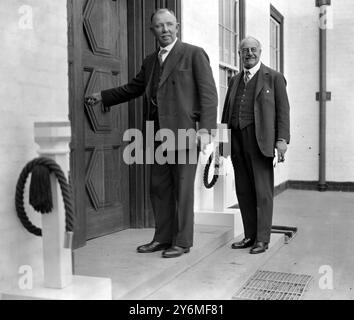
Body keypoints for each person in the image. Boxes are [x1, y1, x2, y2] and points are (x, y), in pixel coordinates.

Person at [85, 9, 218, 258]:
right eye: (159, 26)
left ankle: (182, 242)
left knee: (183, 190)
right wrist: (103, 96)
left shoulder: (193, 54)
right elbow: (133, 88)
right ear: (152, 30)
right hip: (156, 136)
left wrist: (206, 132)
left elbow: (209, 96)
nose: (165, 30)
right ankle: (162, 238)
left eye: (169, 25)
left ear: (177, 26)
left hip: (184, 135)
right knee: (159, 188)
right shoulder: (149, 61)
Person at [221, 36, 290, 254]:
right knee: (243, 190)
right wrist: (222, 143)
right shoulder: (234, 80)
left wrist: (281, 140)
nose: (249, 53)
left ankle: (262, 239)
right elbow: (226, 113)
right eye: (244, 50)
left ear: (260, 52)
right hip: (237, 140)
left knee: (262, 192)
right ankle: (249, 235)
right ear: (239, 53)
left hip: (261, 140)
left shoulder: (274, 78)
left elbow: (283, 111)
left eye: (253, 50)